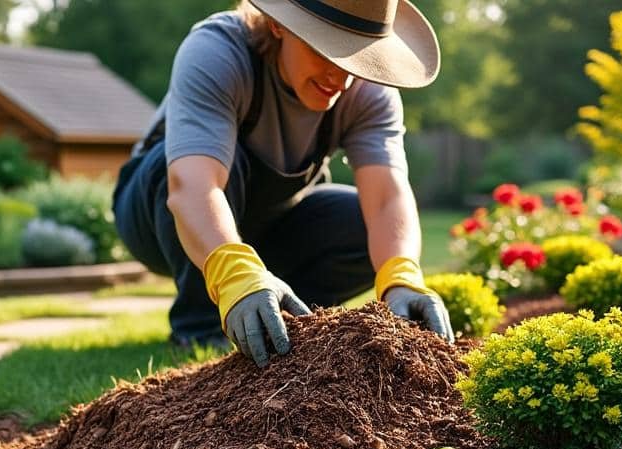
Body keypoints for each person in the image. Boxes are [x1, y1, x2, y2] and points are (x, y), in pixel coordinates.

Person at [113, 0, 453, 368]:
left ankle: (280, 312)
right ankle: (201, 328)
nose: (340, 78)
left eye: (355, 56)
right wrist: (234, 273)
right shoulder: (218, 51)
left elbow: (387, 199)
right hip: (159, 213)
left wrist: (400, 275)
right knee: (220, 161)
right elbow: (193, 185)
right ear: (278, 25)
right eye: (326, 50)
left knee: (363, 225)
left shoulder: (369, 91)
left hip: (270, 220)